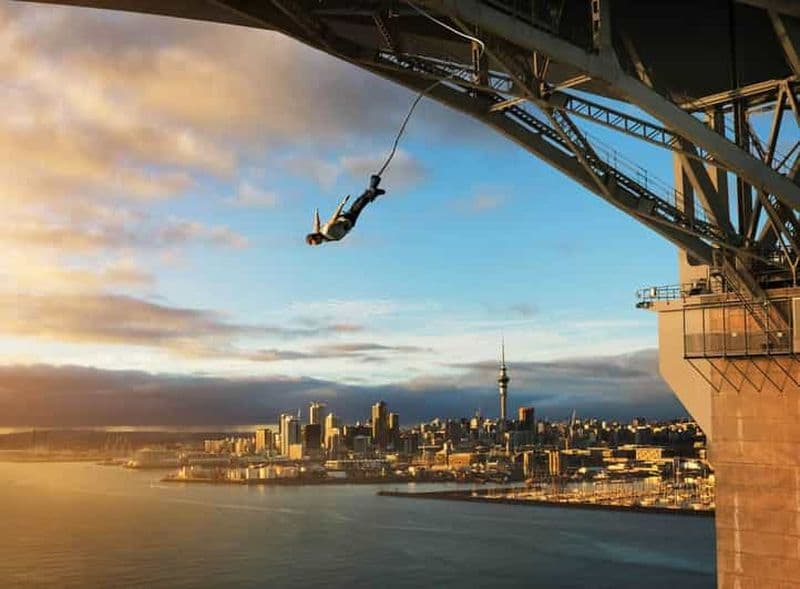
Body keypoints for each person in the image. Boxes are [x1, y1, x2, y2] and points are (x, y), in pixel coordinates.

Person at [306, 175, 386, 245]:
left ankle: (373, 188)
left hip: (347, 220)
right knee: (359, 204)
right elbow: (316, 224)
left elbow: (334, 216)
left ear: (316, 237)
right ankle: (373, 191)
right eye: (316, 244)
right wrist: (316, 213)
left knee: (359, 204)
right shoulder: (319, 234)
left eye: (316, 242)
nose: (318, 244)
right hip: (347, 224)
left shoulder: (326, 230)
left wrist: (342, 203)